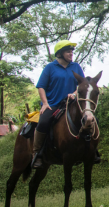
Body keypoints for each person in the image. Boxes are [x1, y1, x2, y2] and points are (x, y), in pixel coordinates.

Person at [34, 40, 93, 169]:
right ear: (60, 53)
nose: (71, 53)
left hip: (72, 104)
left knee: (92, 119)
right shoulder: (50, 67)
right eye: (68, 51)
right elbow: (41, 87)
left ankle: (92, 151)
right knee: (43, 122)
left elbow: (82, 85)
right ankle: (37, 153)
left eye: (72, 51)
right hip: (54, 104)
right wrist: (45, 103)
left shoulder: (76, 67)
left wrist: (74, 92)